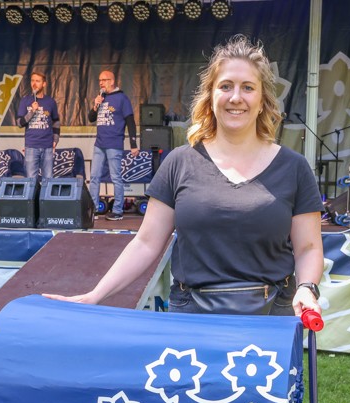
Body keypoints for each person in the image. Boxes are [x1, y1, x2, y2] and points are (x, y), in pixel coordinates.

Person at [47, 35, 323, 318]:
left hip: (271, 318)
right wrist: (95, 295)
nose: (236, 97)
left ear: (263, 99)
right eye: (225, 86)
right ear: (211, 96)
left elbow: (309, 248)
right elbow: (146, 243)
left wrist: (307, 288)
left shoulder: (294, 167)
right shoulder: (178, 162)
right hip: (192, 317)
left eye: (248, 87)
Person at [87, 70, 139, 221]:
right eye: (99, 80)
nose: (101, 83)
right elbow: (91, 118)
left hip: (114, 144)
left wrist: (133, 144)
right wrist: (95, 105)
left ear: (112, 81)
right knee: (94, 177)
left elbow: (130, 122)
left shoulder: (122, 98)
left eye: (104, 80)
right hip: (99, 144)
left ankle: (117, 211)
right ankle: (93, 209)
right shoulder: (101, 98)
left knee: (116, 177)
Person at [17, 72, 60, 180]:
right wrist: (32, 112)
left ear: (44, 84)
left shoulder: (50, 102)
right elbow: (19, 123)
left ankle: (45, 198)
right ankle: (32, 198)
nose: (34, 84)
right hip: (31, 146)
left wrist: (55, 139)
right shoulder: (25, 101)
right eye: (32, 81)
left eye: (37, 81)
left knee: (48, 179)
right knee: (31, 179)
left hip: (48, 147)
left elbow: (56, 121)